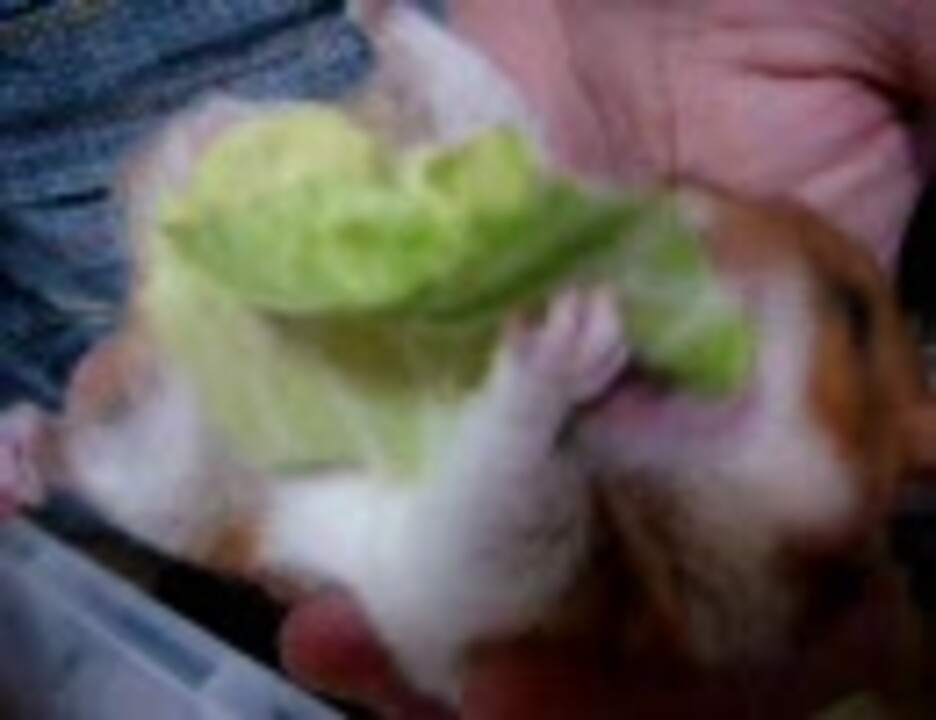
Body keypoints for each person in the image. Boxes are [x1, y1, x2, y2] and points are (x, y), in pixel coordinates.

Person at [1, 1, 934, 717]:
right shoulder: (600, 262)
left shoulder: (582, 554)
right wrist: (410, 43)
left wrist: (528, 402)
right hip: (204, 203)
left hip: (267, 432)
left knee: (144, 448)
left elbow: (463, 553)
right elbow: (499, 154)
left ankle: (47, 450)